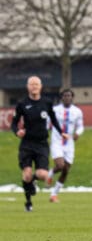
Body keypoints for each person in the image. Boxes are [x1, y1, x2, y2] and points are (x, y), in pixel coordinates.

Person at [11, 76, 67, 212]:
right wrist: (17, 131)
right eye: (32, 84)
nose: (34, 86)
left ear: (41, 86)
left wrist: (61, 132)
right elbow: (14, 122)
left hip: (42, 144)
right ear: (28, 86)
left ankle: (31, 180)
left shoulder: (47, 103)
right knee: (27, 173)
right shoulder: (22, 104)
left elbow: (54, 120)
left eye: (36, 84)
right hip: (27, 144)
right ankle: (28, 202)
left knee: (43, 175)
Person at [46, 89, 85, 202]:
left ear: (72, 97)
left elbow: (81, 126)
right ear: (61, 97)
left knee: (66, 170)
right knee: (60, 165)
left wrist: (78, 133)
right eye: (65, 95)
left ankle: (54, 195)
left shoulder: (77, 111)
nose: (67, 97)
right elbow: (47, 123)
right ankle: (51, 173)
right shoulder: (54, 110)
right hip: (57, 142)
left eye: (69, 95)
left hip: (69, 144)